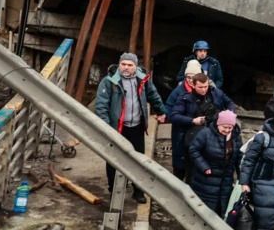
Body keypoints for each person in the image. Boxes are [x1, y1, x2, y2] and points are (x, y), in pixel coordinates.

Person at [93, 52, 167, 203]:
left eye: (129, 65)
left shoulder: (143, 79)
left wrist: (161, 111)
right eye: (123, 64)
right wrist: (106, 127)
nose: (126, 68)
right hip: (117, 127)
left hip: (137, 126)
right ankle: (114, 189)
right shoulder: (109, 81)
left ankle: (138, 191)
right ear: (119, 64)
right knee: (113, 159)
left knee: (138, 160)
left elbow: (152, 94)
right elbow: (101, 105)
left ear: (136, 66)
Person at [168, 70, 236, 181]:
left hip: (212, 136)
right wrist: (193, 120)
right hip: (191, 136)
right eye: (200, 87)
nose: (204, 90)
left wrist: (228, 115)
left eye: (205, 86)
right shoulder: (185, 98)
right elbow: (174, 116)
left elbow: (230, 103)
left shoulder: (216, 93)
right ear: (193, 85)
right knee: (188, 168)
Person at [187, 110, 242, 216]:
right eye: (224, 127)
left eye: (229, 128)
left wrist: (242, 177)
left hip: (225, 180)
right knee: (205, 210)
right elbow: (194, 150)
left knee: (221, 208)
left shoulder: (236, 137)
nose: (227, 130)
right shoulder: (205, 133)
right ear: (218, 124)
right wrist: (204, 166)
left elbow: (239, 157)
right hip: (206, 179)